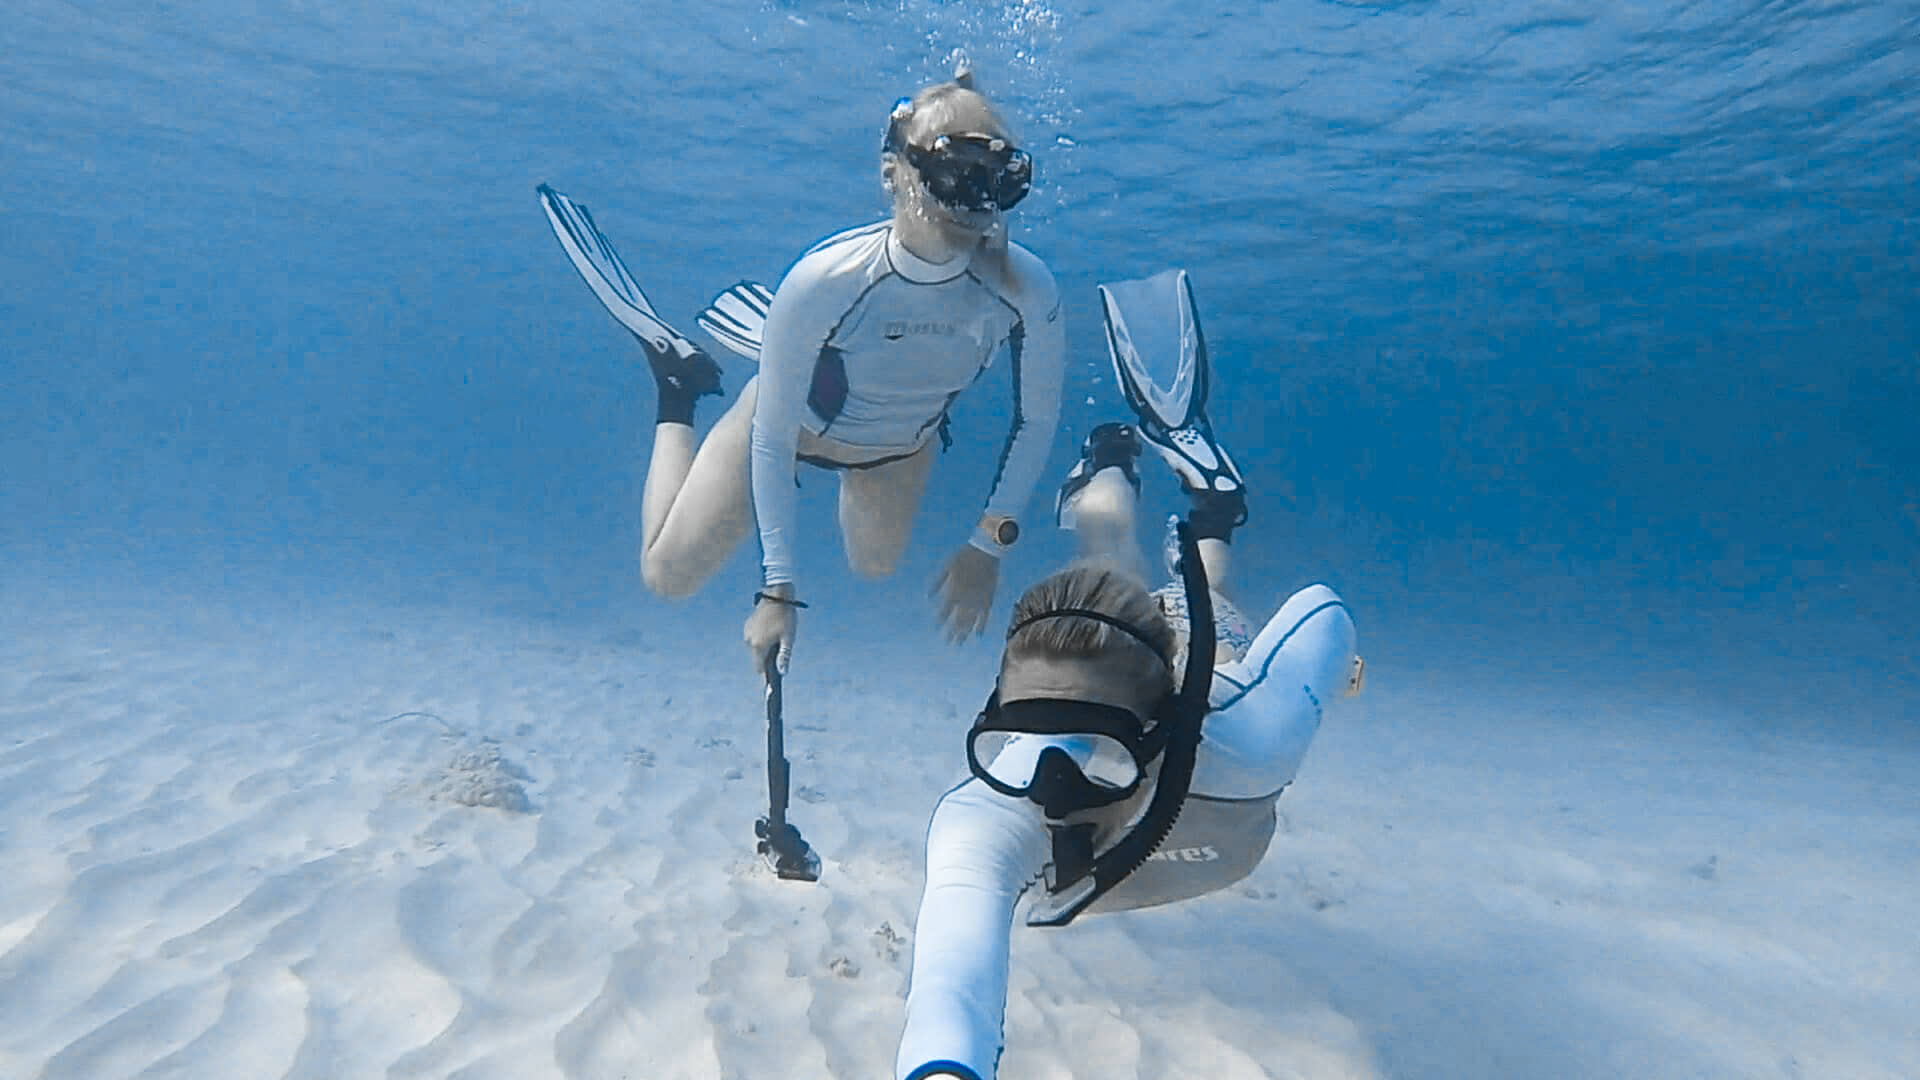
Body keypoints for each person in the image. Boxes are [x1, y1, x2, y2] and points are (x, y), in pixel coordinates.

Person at [892, 271, 1365, 1080]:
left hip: (1193, 654)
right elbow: (951, 980)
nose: (1050, 786)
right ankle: (1128, 467)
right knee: (1109, 561)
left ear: (1164, 724)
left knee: (1199, 596)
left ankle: (1211, 504)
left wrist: (1341, 676)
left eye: (1100, 751)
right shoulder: (986, 814)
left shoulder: (1249, 734)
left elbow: (1324, 615)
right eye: (1023, 736)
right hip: (1143, 667)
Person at [551, 63, 1064, 677]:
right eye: (954, 174)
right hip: (786, 425)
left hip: (896, 449)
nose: (972, 204)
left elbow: (1037, 419)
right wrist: (777, 591)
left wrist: (988, 543)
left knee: (875, 566)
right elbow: (769, 436)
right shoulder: (826, 279)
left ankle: (796, 360)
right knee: (667, 576)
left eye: (996, 181)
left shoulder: (1026, 288)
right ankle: (677, 387)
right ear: (893, 175)